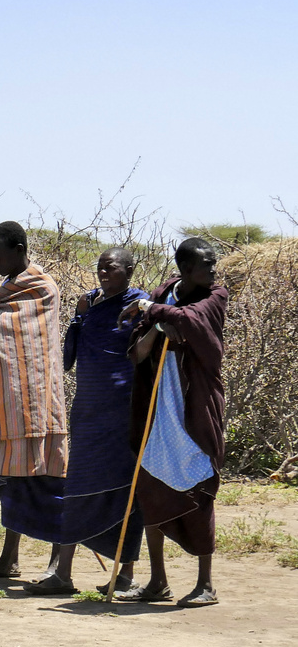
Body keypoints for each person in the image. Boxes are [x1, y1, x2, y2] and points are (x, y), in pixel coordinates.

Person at [22, 249, 146, 595]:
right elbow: (68, 358)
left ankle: (126, 575)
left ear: (130, 271)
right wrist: (79, 316)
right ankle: (62, 574)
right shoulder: (92, 304)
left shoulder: (140, 304)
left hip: (122, 409)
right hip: (89, 409)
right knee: (76, 487)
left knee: (125, 488)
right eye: (101, 267)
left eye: (112, 268)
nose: (104, 273)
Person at [117, 237, 229, 606]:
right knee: (151, 490)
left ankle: (206, 584)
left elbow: (195, 325)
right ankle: (157, 581)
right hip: (159, 405)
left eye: (213, 264)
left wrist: (153, 311)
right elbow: (140, 344)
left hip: (194, 409)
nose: (214, 271)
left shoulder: (214, 297)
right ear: (184, 268)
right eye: (206, 265)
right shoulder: (166, 290)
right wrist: (155, 324)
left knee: (199, 491)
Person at [0, 221, 69, 582]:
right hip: (5, 405)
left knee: (49, 481)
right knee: (11, 484)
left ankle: (58, 563)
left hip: (38, 404)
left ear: (20, 249)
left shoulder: (41, 287)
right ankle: (8, 558)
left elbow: (29, 339)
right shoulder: (4, 290)